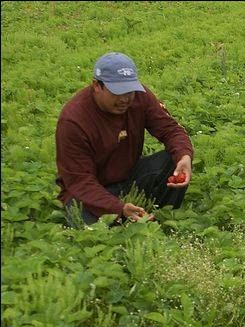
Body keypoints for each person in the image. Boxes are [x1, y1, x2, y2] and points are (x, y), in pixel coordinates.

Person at [55, 52, 193, 227]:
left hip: (128, 175)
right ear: (97, 86)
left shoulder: (140, 97)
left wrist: (184, 156)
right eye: (118, 92)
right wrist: (117, 207)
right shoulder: (74, 120)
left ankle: (160, 216)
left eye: (130, 91)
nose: (125, 99)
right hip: (89, 189)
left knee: (175, 161)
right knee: (86, 223)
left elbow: (170, 129)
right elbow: (80, 181)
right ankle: (125, 218)